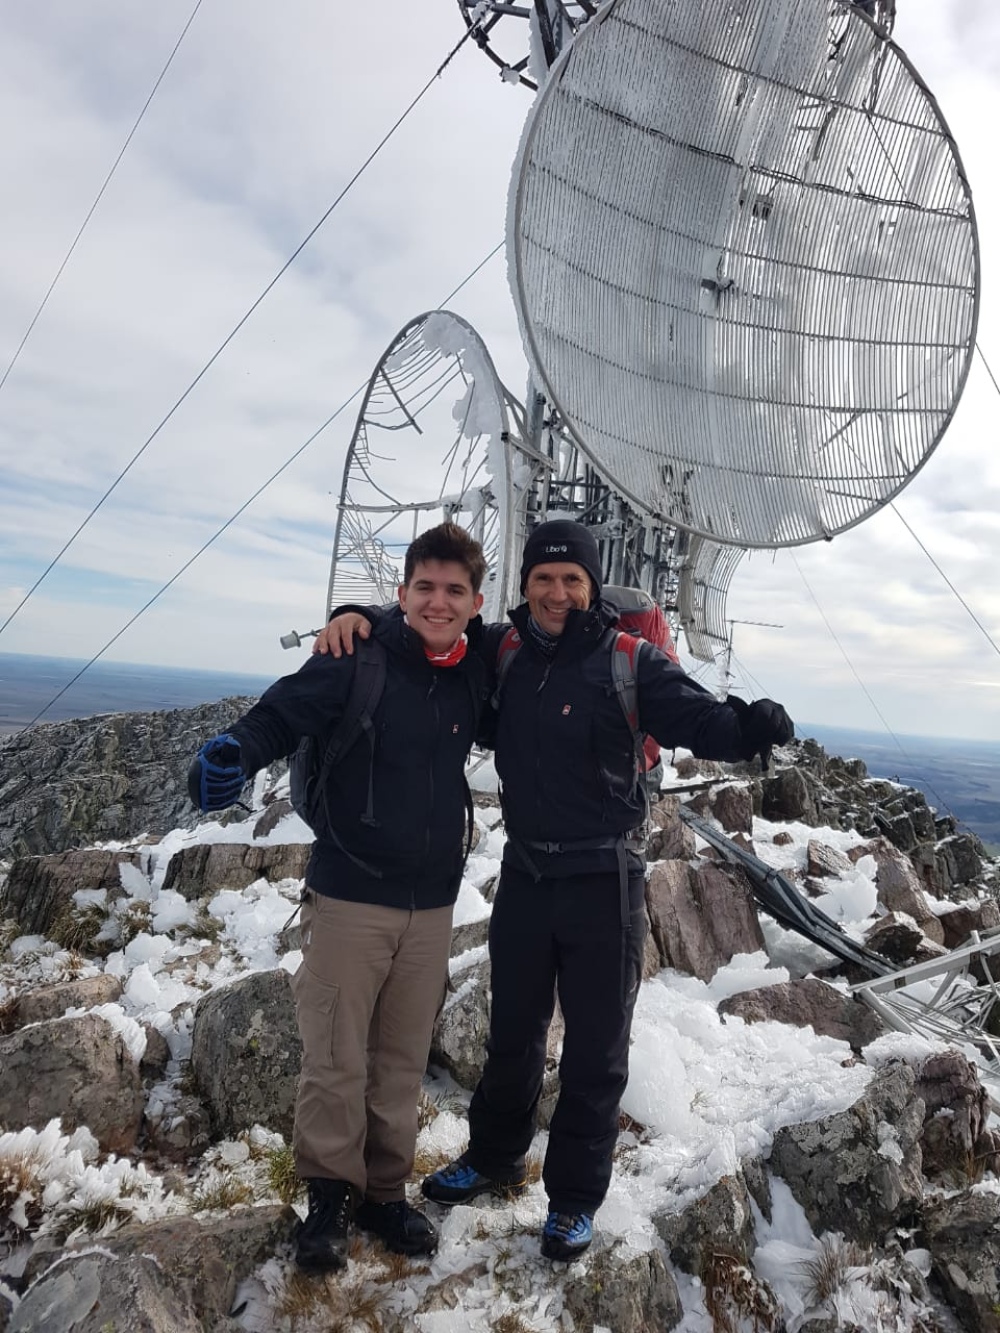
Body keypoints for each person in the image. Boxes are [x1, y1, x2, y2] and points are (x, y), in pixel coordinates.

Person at [318, 519, 793, 1262]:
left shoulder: (627, 658)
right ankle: (496, 1156)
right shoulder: (500, 651)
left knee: (596, 1049)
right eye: (545, 577)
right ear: (525, 584)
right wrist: (359, 616)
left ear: (592, 586)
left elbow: (691, 714)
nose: (558, 591)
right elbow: (428, 627)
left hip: (604, 879)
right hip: (528, 874)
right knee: (512, 1031)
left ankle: (573, 1198)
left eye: (573, 579)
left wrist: (746, 725)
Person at [187, 523, 491, 1273]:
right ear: (403, 592)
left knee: (399, 1060)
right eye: (425, 586)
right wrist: (234, 751)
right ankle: (328, 1197)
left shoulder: (475, 667)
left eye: (455, 591)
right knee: (334, 1058)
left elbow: (553, 650)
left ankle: (386, 1193)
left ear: (476, 602)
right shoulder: (354, 654)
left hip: (430, 905)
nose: (438, 601)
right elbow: (284, 712)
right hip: (351, 894)